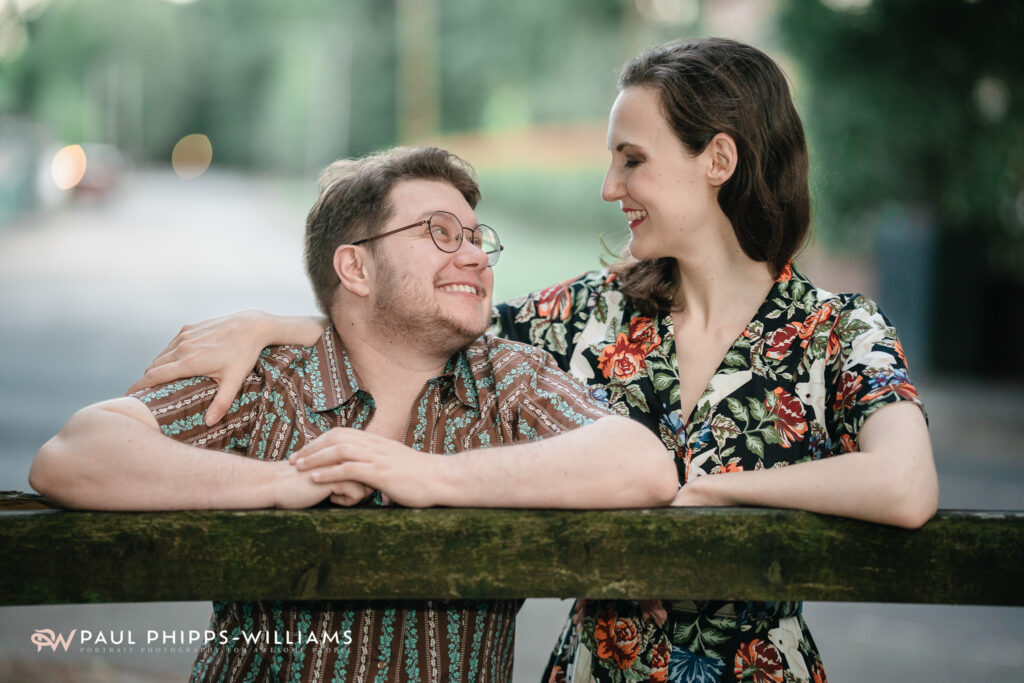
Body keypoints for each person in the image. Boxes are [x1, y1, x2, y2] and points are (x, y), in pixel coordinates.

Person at [128, 38, 938, 683]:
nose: (608, 185)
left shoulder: (839, 328)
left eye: (632, 159)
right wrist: (272, 323)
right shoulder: (586, 314)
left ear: (717, 161)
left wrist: (708, 490)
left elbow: (903, 485)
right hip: (592, 665)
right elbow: (417, 326)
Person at [30, 146, 678, 682]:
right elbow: (74, 454)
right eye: (441, 233)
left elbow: (641, 464)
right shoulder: (270, 378)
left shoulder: (508, 376)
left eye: (479, 239)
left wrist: (427, 475)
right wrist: (282, 483)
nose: (477, 255)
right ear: (356, 267)